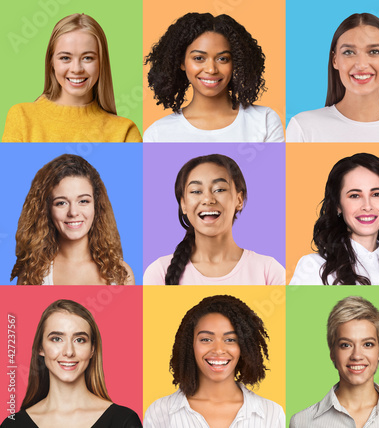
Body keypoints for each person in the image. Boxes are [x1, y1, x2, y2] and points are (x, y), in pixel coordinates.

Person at [143, 154, 285, 285]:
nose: (207, 199)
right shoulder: (159, 272)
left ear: (239, 200)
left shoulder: (269, 270)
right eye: (196, 191)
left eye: (219, 189)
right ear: (183, 204)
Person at [144, 295, 284, 427]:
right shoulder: (160, 413)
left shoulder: (271, 414)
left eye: (230, 340)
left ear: (244, 346)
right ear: (189, 345)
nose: (218, 350)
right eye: (206, 339)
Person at [286, 13, 379, 142]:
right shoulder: (303, 127)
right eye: (349, 52)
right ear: (335, 60)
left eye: (374, 51)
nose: (361, 65)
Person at [144, 13, 283, 142]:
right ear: (181, 62)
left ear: (236, 63)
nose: (211, 69)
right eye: (199, 58)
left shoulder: (264, 121)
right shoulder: (158, 134)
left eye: (222, 59)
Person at [0, 300, 141, 428]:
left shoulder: (123, 421)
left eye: (79, 340)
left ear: (92, 349)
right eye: (56, 339)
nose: (69, 352)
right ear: (40, 348)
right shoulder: (13, 425)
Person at [2, 14, 140, 142]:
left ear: (101, 63)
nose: (76, 69)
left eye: (87, 58)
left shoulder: (125, 132)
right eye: (65, 58)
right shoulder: (21, 117)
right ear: (52, 62)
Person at [289, 296, 379, 427]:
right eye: (346, 345)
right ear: (332, 352)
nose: (357, 356)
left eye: (368, 344)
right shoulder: (301, 422)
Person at [289, 153, 379, 285]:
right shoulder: (314, 267)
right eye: (355, 196)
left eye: (377, 194)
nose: (367, 206)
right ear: (338, 205)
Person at [11, 154, 133, 285]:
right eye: (61, 203)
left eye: (83, 201)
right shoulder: (31, 274)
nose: (73, 212)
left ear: (96, 206)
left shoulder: (121, 273)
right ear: (46, 209)